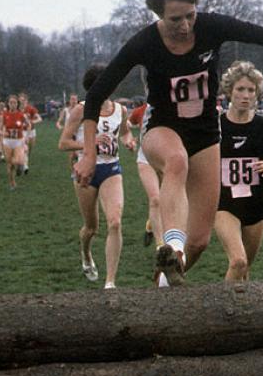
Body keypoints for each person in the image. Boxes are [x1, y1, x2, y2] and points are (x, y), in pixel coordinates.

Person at [75, 0, 263, 286]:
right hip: (162, 126)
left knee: (200, 242)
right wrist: (88, 154)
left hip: (206, 133)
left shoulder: (211, 27)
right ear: (159, 14)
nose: (185, 26)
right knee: (176, 161)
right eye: (175, 19)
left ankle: (165, 281)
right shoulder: (144, 43)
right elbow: (96, 96)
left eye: (190, 16)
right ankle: (170, 246)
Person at [215, 61, 263, 281]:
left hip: (255, 205)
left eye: (251, 90)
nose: (246, 95)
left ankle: (241, 311)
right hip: (224, 204)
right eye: (240, 89)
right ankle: (223, 311)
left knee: (245, 268)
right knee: (238, 261)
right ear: (229, 91)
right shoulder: (216, 127)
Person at [58, 65, 134, 288]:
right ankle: (86, 252)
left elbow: (125, 131)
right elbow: (63, 143)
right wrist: (88, 144)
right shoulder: (81, 110)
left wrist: (128, 140)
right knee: (92, 228)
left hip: (111, 169)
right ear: (94, 85)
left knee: (115, 222)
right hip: (86, 173)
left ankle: (110, 283)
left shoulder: (120, 109)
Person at [127, 101, 162, 247]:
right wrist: (130, 140)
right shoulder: (140, 111)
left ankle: (150, 225)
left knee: (166, 201)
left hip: (166, 160)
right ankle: (161, 246)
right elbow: (126, 126)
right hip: (145, 159)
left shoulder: (174, 109)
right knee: (155, 199)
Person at [0, 95, 30, 190]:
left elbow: (28, 125)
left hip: (18, 141)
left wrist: (26, 136)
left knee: (17, 161)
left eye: (15, 103)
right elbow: (0, 128)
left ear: (17, 104)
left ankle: (20, 166)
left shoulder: (21, 115)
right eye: (11, 102)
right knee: (9, 164)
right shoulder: (4, 114)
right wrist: (3, 132)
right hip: (7, 141)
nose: (13, 104)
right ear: (8, 104)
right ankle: (12, 183)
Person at [18, 92, 41, 174]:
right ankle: (25, 166)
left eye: (23, 100)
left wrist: (32, 121)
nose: (22, 102)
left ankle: (24, 159)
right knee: (25, 148)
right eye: (20, 100)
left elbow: (39, 119)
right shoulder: (17, 110)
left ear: (26, 100)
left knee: (30, 147)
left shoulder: (31, 109)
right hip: (22, 131)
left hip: (31, 131)